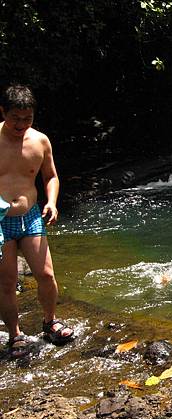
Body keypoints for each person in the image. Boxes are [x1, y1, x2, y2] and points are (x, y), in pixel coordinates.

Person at [0, 85, 74, 357]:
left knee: (45, 274)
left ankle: (50, 321)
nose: (21, 124)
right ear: (3, 112)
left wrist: (52, 202)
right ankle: (15, 334)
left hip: (31, 216)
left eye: (27, 118)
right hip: (0, 221)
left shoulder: (40, 141)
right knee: (7, 282)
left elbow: (50, 176)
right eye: (15, 118)